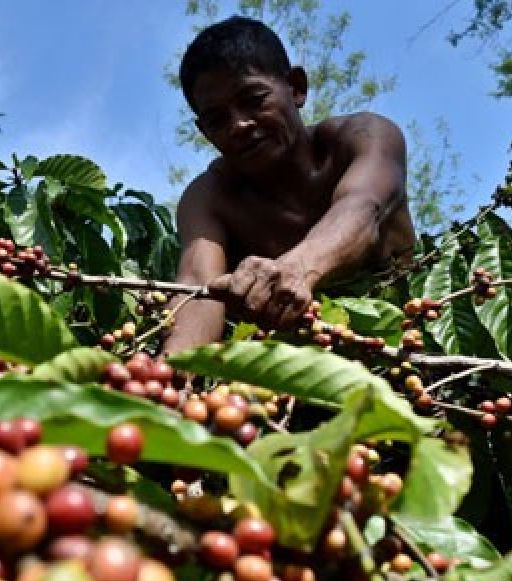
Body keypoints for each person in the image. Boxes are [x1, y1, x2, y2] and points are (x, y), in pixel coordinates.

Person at [161, 16, 416, 354]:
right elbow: (197, 286)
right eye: (217, 119)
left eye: (253, 99)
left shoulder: (364, 138)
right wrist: (166, 378)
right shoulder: (208, 198)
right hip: (296, 378)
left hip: (412, 353)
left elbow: (362, 208)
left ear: (296, 88)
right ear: (205, 132)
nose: (239, 125)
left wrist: (297, 268)